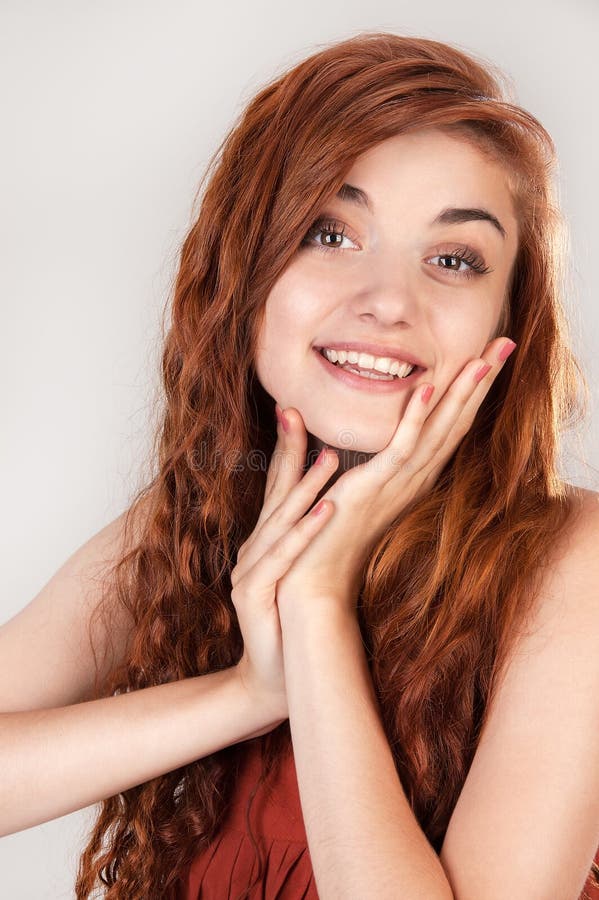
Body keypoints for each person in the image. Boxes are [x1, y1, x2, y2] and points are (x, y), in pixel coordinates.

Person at [1, 30, 598, 900]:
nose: (389, 301)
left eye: (452, 259)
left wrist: (316, 612)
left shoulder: (571, 557)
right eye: (329, 233)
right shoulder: (205, 510)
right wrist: (247, 692)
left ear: (509, 320)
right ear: (245, 272)